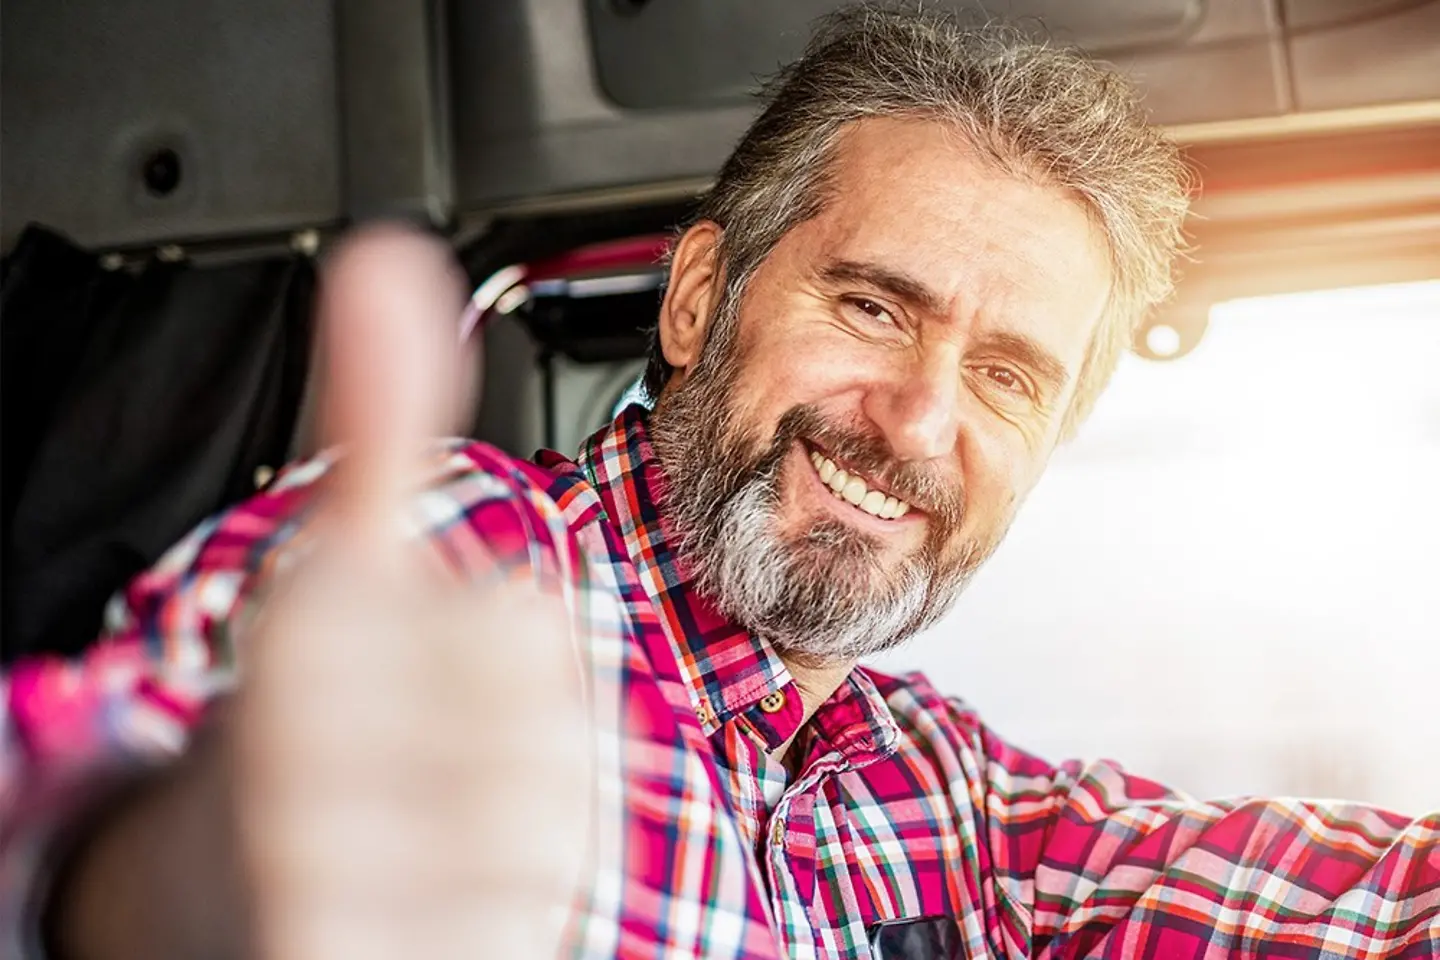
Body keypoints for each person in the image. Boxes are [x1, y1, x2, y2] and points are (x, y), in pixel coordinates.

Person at [4, 7, 1437, 959]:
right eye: (873, 308)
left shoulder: (935, 787)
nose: (920, 419)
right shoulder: (468, 555)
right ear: (698, 303)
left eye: (1008, 377)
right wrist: (175, 880)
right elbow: (67, 796)